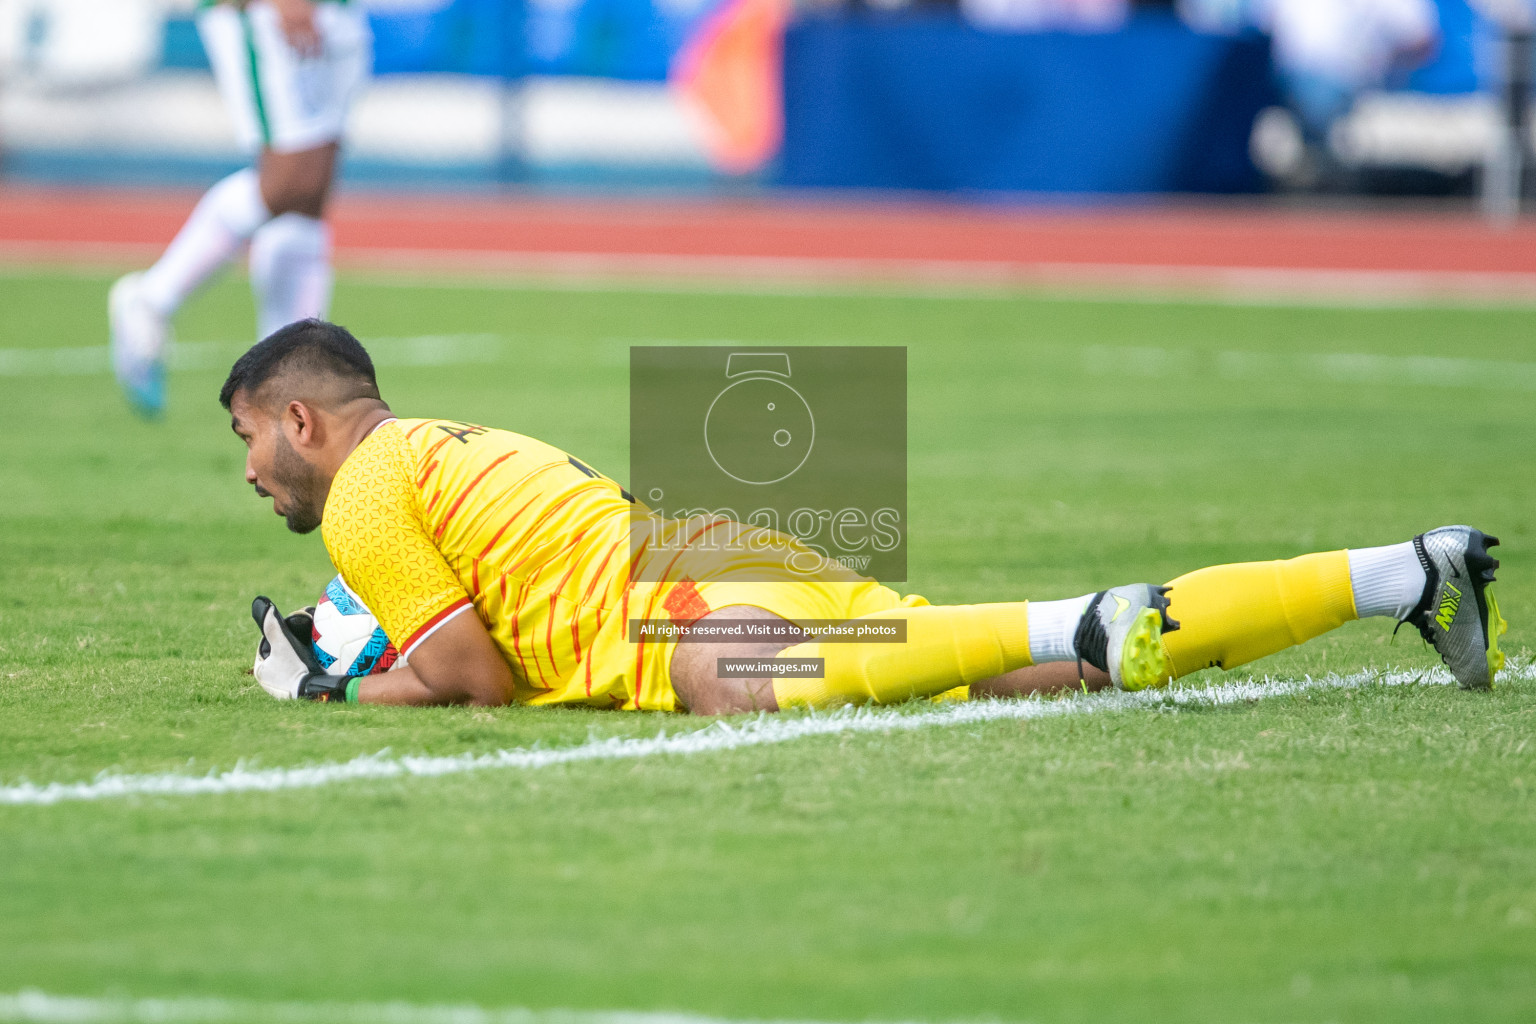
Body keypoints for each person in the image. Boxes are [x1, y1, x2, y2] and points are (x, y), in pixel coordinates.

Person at [225, 320, 1507, 713]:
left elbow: (473, 681)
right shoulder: (451, 443)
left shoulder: (369, 493)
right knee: (1042, 675)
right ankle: (1407, 571)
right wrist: (370, 649)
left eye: (245, 439)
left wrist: (328, 695)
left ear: (301, 421)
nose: (248, 476)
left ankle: (1091, 617)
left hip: (695, 612)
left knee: (760, 681)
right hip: (730, 555)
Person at [109, 0, 371, 417]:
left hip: (337, 13)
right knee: (290, 177)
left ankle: (288, 373)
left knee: (312, 187)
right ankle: (151, 297)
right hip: (261, 10)